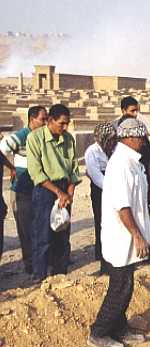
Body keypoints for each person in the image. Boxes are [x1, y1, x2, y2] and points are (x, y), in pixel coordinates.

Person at [87, 119, 150, 347]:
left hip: (128, 235)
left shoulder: (131, 161)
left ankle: (119, 327)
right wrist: (137, 235)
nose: (144, 141)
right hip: (121, 236)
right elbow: (122, 206)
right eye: (142, 137)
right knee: (120, 286)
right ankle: (99, 332)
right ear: (130, 138)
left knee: (126, 283)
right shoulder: (120, 164)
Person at [27, 104, 80, 282]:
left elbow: (73, 169)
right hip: (45, 189)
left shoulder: (69, 139)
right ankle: (40, 276)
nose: (64, 128)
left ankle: (60, 274)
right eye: (61, 124)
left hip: (64, 188)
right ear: (50, 121)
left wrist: (69, 193)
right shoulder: (35, 138)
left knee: (62, 233)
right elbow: (36, 172)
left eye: (67, 124)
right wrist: (59, 192)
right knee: (43, 235)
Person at [116, 96, 150, 261]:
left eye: (136, 110)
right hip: (128, 180)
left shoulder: (139, 130)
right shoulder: (119, 132)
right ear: (123, 111)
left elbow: (148, 160)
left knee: (146, 214)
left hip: (142, 177)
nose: (135, 114)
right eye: (132, 111)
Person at [0, 106, 48, 273]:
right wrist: (12, 167)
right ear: (31, 119)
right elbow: (2, 148)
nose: (45, 123)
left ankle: (40, 261)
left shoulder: (41, 136)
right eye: (42, 119)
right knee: (26, 230)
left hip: (37, 187)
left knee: (39, 227)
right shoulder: (22, 136)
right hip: (22, 190)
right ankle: (31, 265)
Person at [85, 122, 117, 275]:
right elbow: (95, 175)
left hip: (114, 187)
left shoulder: (114, 150)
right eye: (109, 139)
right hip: (101, 190)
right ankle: (104, 258)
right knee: (102, 222)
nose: (112, 142)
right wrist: (112, 188)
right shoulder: (92, 151)